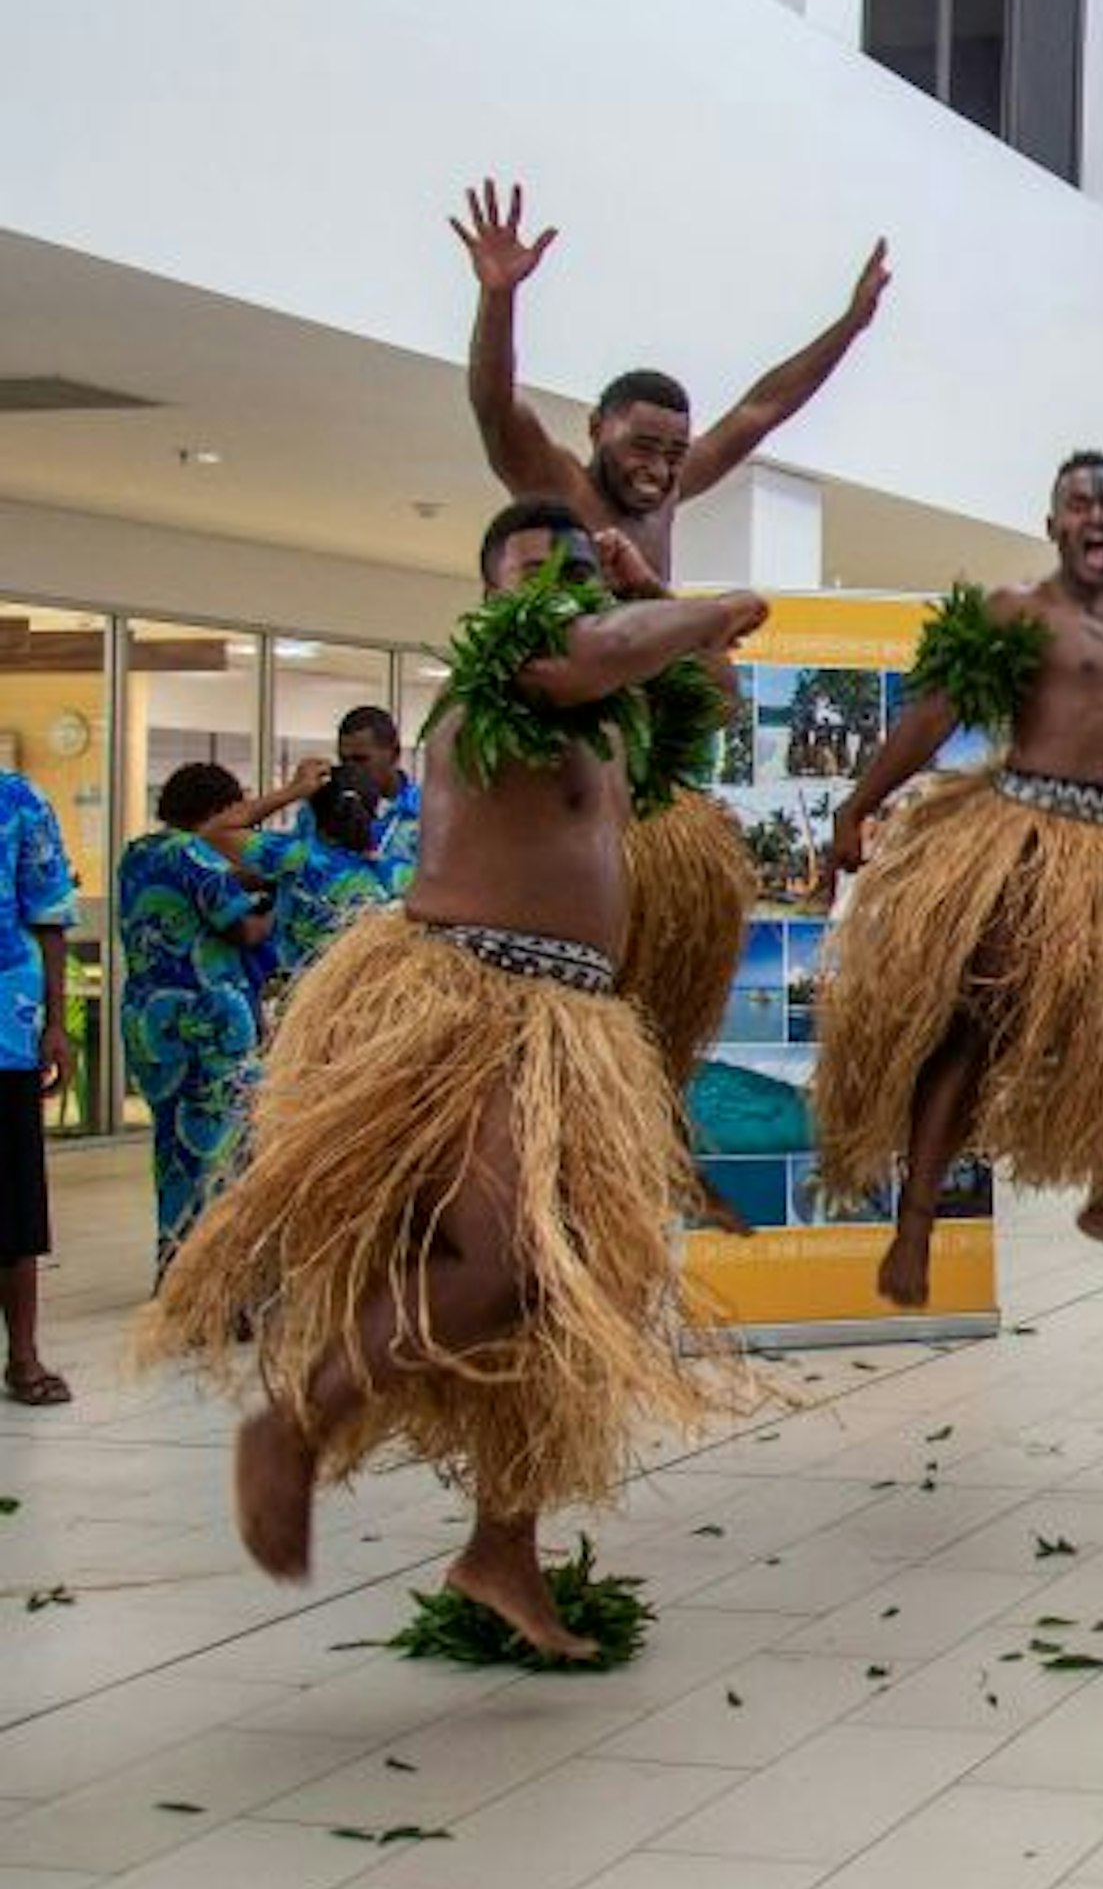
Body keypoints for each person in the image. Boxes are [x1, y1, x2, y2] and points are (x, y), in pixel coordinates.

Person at [146, 502, 763, 1657]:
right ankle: (298, 1420)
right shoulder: (514, 675)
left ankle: (502, 1547)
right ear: (491, 597)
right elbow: (607, 647)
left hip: (568, 1019)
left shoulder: (606, 707)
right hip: (470, 1003)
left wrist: (646, 587)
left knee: (553, 1296)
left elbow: (710, 697)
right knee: (502, 1258)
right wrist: (710, 602)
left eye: (578, 573)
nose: (562, 589)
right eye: (535, 571)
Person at [819, 317, 1103, 1309]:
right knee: (975, 1025)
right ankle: (914, 1224)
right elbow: (929, 714)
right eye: (1082, 503)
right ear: (1054, 524)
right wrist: (853, 809)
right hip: (1025, 841)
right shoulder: (1016, 612)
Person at [452, 179, 876, 1103]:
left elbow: (762, 410)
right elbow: (494, 407)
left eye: (673, 452)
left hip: (642, 769)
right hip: (562, 739)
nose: (658, 466)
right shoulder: (560, 486)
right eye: (642, 445)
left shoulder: (672, 493)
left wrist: (848, 329)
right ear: (597, 428)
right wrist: (499, 295)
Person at [119, 764, 284, 1281]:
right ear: (216, 812)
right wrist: (286, 901)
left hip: (151, 1025)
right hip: (207, 1023)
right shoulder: (192, 853)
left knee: (174, 1148)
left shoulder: (139, 853)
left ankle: (174, 1269)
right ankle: (214, 1285)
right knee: (223, 1153)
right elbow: (245, 929)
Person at [2, 762, 77, 1407]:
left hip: (6, 1029)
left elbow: (50, 915)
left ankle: (22, 1356)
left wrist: (57, 1022)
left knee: (16, 1203)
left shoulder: (19, 799)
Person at [225, 763, 407, 1000]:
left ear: (312, 812)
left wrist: (292, 790)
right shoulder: (399, 874)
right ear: (374, 813)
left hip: (303, 1007)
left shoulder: (296, 859)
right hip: (370, 1008)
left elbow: (218, 829)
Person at [330, 705, 425, 882]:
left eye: (361, 760)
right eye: (344, 760)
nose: (351, 770)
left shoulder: (425, 815)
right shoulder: (328, 809)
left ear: (394, 754)